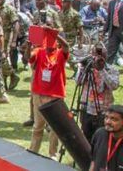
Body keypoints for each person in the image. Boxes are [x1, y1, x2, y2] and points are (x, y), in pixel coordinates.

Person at [28, 27, 70, 159]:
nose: (49, 42)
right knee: (37, 126)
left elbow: (67, 46)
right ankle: (33, 150)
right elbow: (28, 58)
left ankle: (53, 154)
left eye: (51, 40)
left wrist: (53, 34)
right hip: (39, 94)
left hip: (54, 96)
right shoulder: (39, 51)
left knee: (54, 128)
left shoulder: (61, 54)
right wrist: (28, 47)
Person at [76, 44, 120, 142]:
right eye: (95, 55)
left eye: (101, 55)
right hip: (87, 109)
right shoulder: (87, 67)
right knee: (86, 137)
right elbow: (78, 82)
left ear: (106, 56)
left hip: (103, 111)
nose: (97, 57)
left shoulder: (111, 69)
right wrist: (83, 68)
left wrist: (102, 70)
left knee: (101, 139)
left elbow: (114, 86)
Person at [89, 105, 123, 171]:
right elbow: (94, 161)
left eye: (113, 119)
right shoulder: (100, 134)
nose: (107, 122)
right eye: (106, 117)